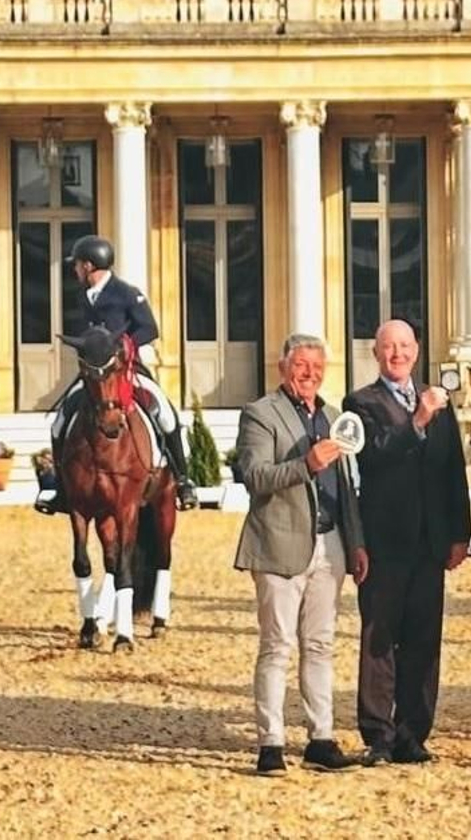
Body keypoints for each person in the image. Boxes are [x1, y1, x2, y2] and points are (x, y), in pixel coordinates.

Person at [233, 334, 369, 776]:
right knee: (276, 646)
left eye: (317, 366)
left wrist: (356, 543)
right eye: (301, 365)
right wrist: (306, 464)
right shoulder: (259, 413)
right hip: (279, 542)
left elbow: (346, 488)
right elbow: (254, 475)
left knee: (321, 644)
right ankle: (270, 743)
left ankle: (320, 737)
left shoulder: (334, 417)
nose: (309, 373)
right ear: (283, 367)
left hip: (330, 546)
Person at [343, 320, 471, 766]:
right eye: (387, 347)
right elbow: (374, 454)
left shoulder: (438, 401)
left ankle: (413, 734)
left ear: (416, 351)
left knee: (423, 640)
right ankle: (378, 734)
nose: (396, 354)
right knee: (380, 639)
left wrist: (461, 532)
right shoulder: (361, 402)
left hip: (430, 542)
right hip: (385, 541)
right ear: (376, 354)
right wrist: (417, 420)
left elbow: (454, 468)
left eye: (403, 346)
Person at [33, 235, 197, 515]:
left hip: (128, 369)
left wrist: (123, 347)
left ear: (88, 265)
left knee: (166, 414)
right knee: (59, 422)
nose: (75, 271)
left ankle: (183, 479)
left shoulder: (126, 293)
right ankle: (61, 487)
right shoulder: (83, 296)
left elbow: (149, 329)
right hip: (94, 375)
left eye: (77, 266)